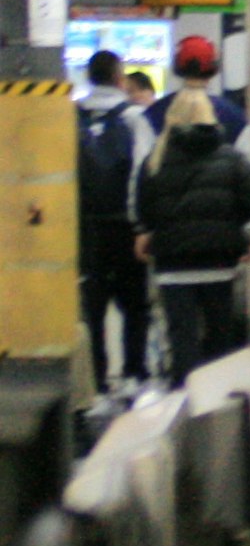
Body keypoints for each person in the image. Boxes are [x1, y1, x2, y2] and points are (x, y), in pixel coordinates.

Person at [132, 94, 250, 384]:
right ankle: (217, 403)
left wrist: (148, 232)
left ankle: (185, 404)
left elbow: (143, 205)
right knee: (219, 336)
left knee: (182, 340)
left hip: (172, 265)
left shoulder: (155, 160)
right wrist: (237, 228)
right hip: (218, 261)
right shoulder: (230, 156)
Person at [75, 50, 152, 390]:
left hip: (87, 226)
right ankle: (134, 372)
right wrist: (142, 225)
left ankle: (98, 379)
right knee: (134, 303)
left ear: (88, 77)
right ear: (120, 79)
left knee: (93, 307)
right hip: (124, 225)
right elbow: (142, 172)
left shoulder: (69, 116)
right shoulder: (135, 117)